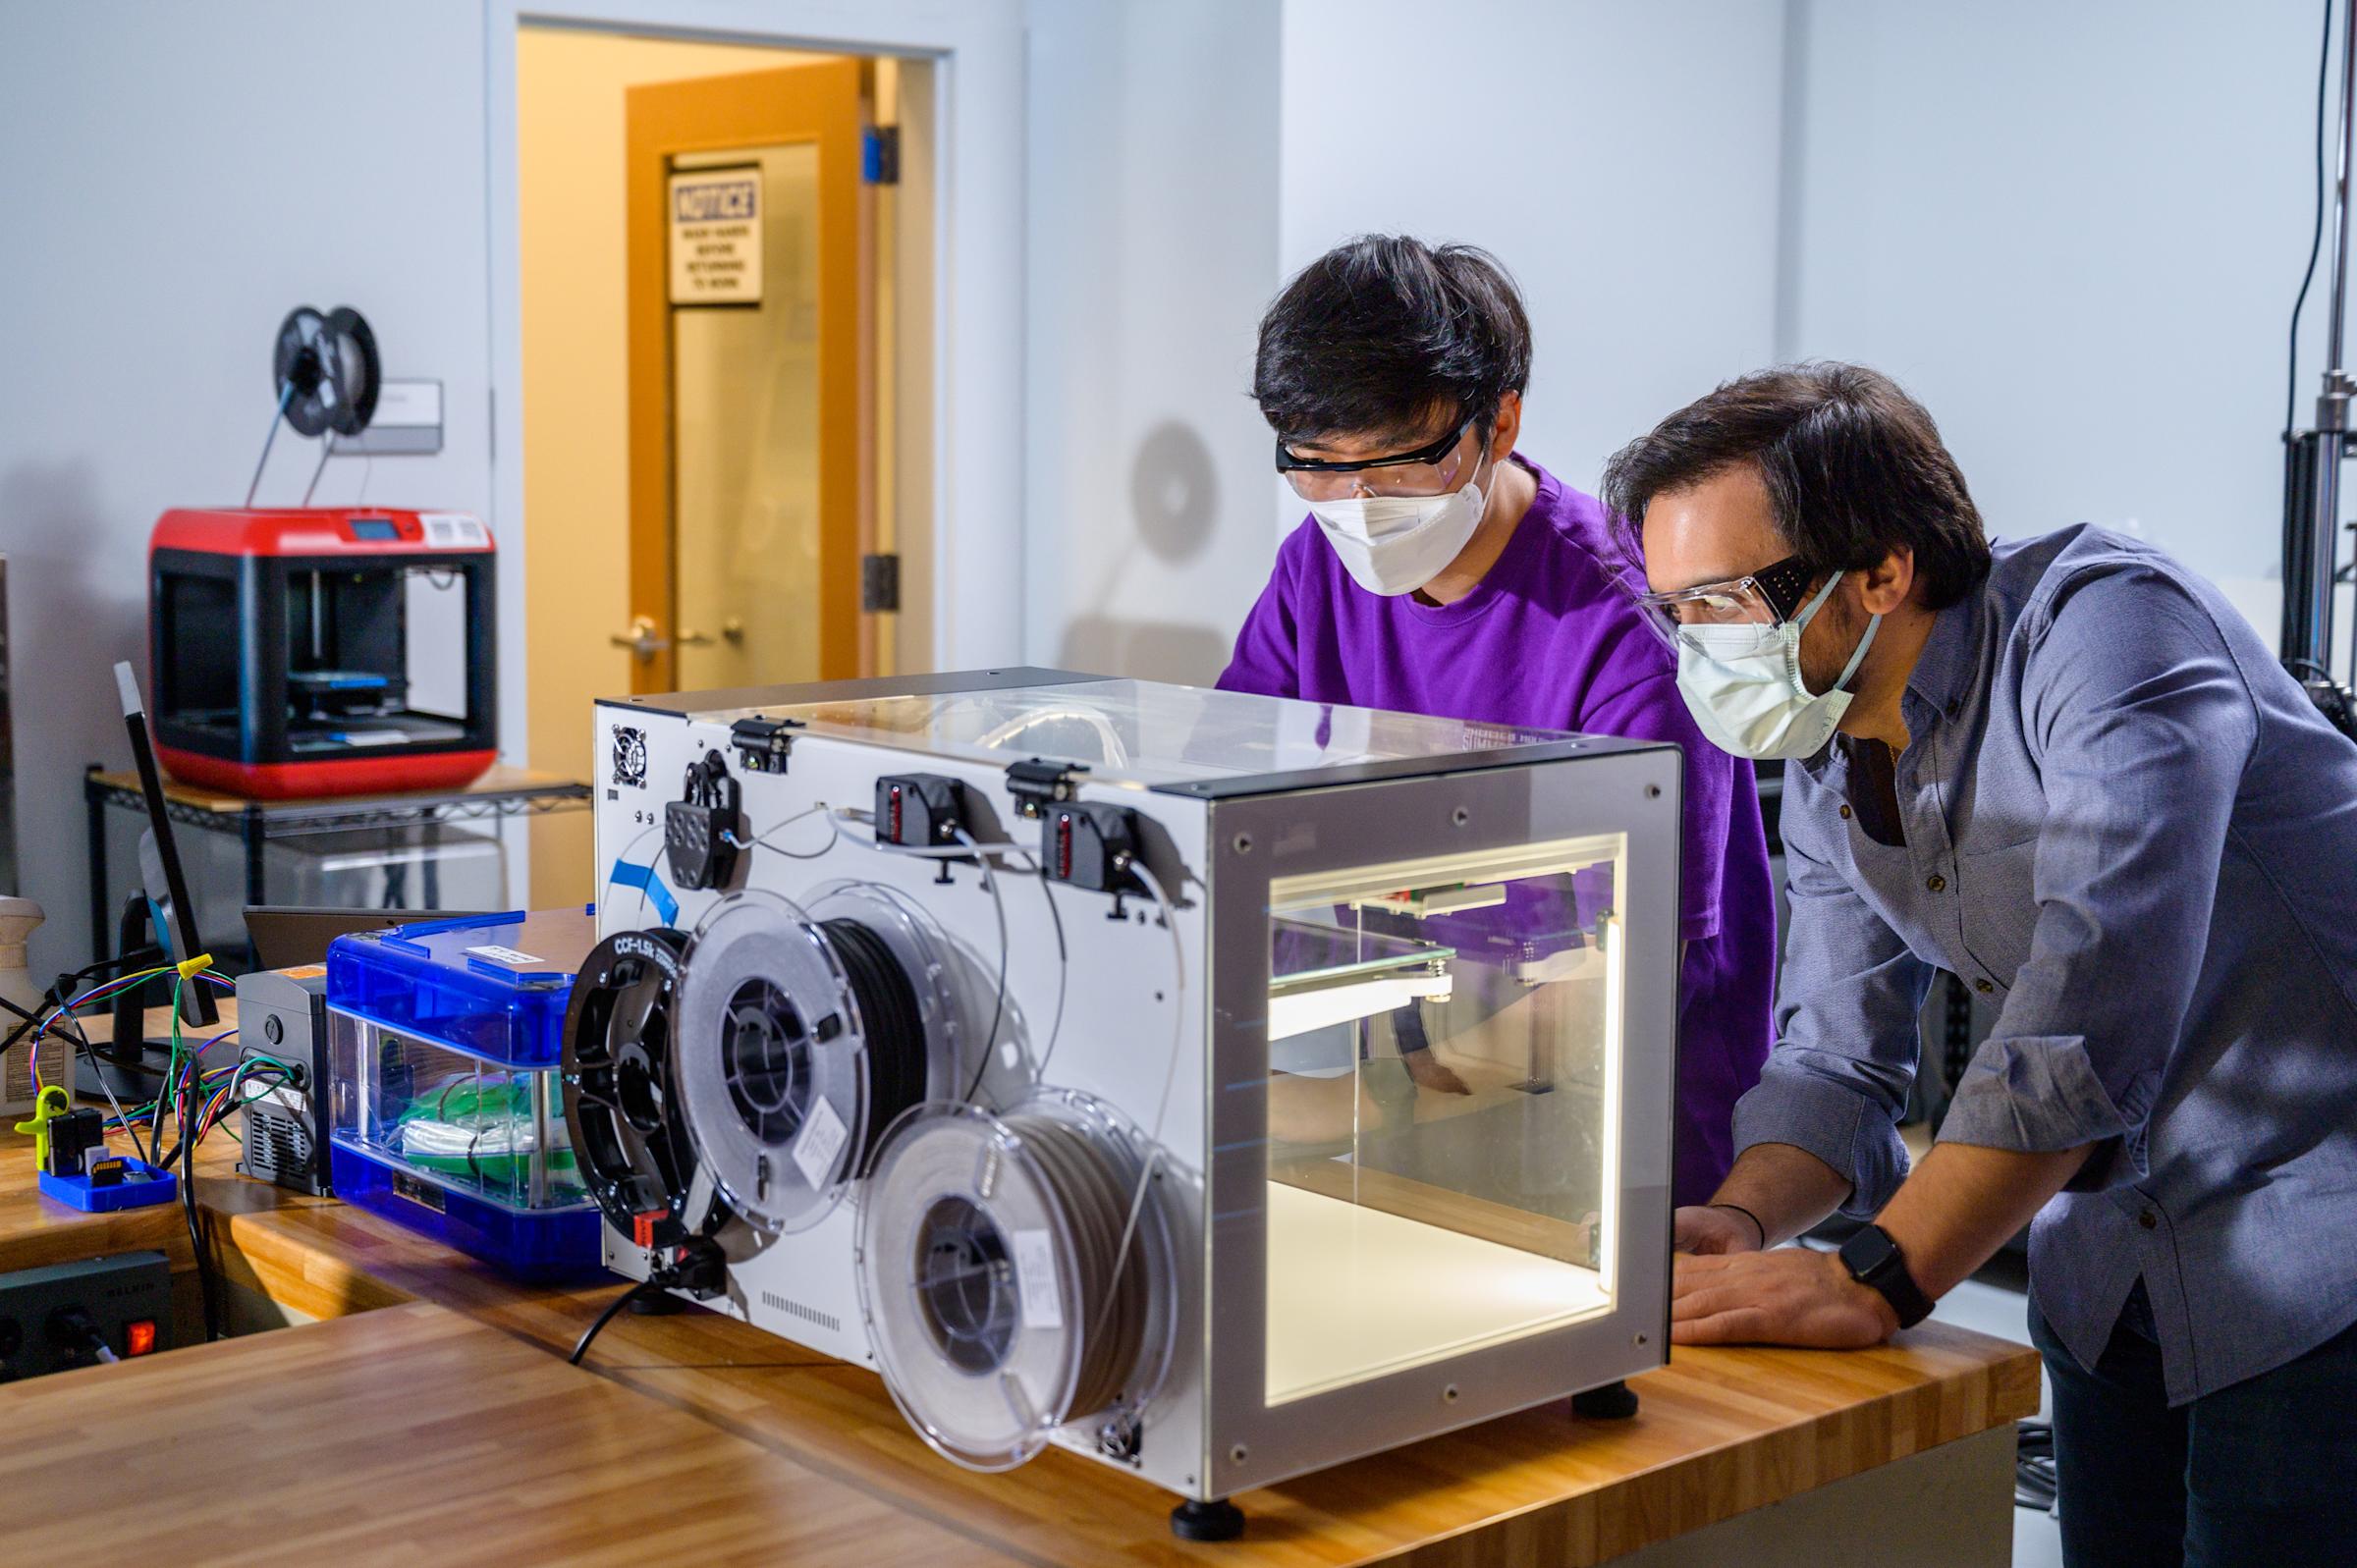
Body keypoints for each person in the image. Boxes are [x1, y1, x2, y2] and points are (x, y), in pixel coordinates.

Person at [1600, 360, 2357, 1566]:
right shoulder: (1830, 744)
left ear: (1883, 571)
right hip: (2107, 1269)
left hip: (2312, 1248)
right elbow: (1834, 1052)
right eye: (1674, 611)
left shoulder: (2112, 628)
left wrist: (1879, 1277)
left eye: (1726, 601)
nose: (1697, 648)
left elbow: (2085, 1012)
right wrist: (1741, 1218)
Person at [1217, 235, 1777, 1208]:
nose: (1358, 504)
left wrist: (1346, 1104)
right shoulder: (1316, 574)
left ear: (1500, 422)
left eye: (1398, 464)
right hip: (1408, 1124)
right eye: (1316, 466)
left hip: (1617, 1157)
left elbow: (1623, 985)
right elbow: (1228, 815)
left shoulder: (1627, 620)